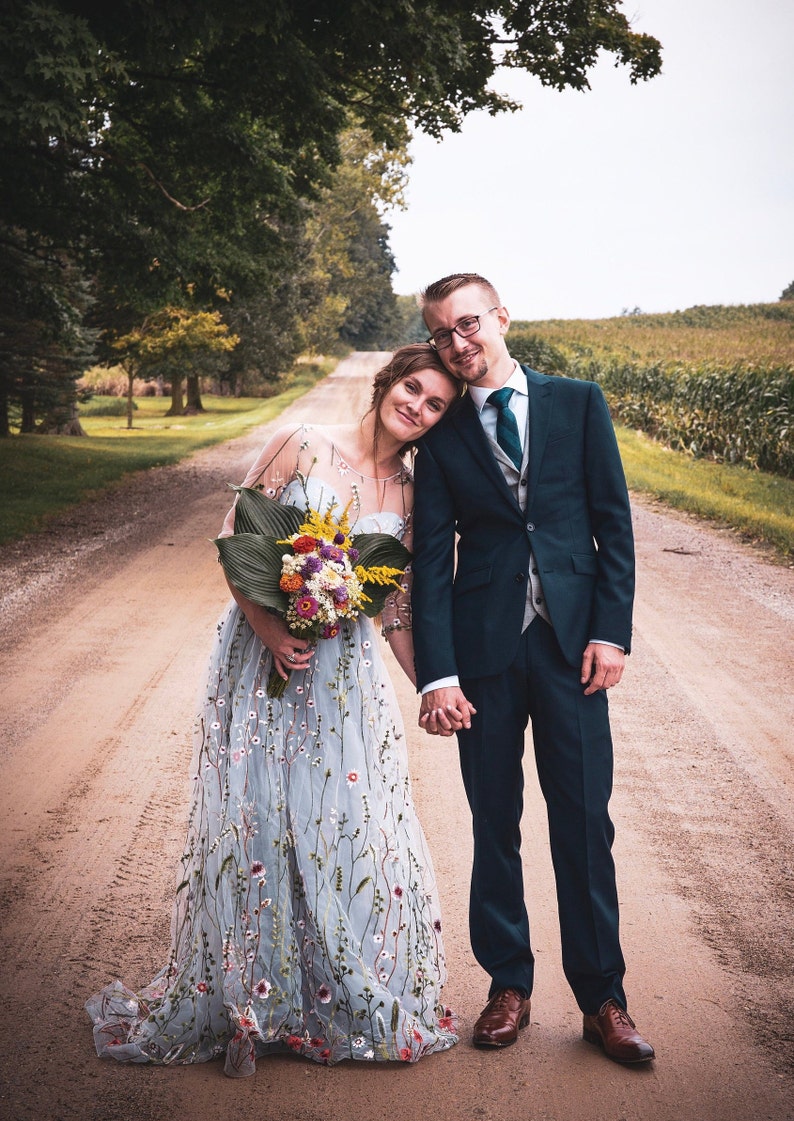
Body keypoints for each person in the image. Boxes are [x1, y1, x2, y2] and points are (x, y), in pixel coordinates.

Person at [86, 344, 463, 1077]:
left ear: (440, 420)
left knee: (339, 821)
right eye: (412, 387)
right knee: (257, 814)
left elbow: (393, 612)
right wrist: (270, 629)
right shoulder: (303, 443)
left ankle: (328, 994)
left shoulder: (410, 494)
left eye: (436, 403)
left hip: (342, 679)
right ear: (389, 381)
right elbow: (234, 537)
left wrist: (431, 686)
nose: (417, 405)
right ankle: (252, 996)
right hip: (259, 660)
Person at [410, 274, 654, 1064]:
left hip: (572, 648)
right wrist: (437, 673)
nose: (458, 343)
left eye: (468, 324)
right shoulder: (441, 435)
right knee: (495, 822)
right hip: (484, 655)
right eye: (443, 334)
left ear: (501, 318)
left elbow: (613, 526)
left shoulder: (578, 402)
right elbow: (430, 563)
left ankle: (603, 997)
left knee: (584, 822)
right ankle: (507, 983)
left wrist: (611, 632)